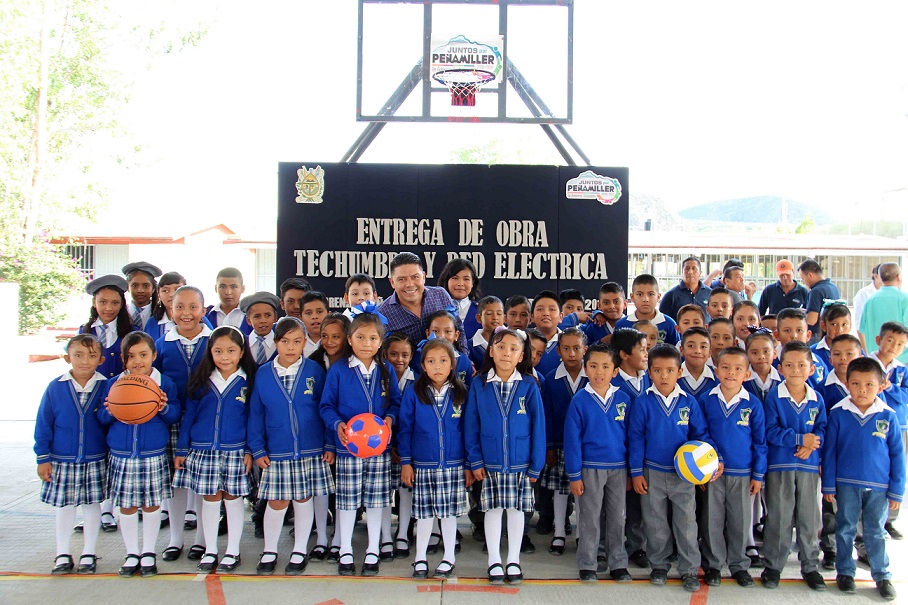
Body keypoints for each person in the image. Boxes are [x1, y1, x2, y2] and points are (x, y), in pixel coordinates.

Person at [248, 317, 334, 576]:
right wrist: (258, 448)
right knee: (277, 501)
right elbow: (256, 414)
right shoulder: (263, 373)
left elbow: (325, 409)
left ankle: (299, 550)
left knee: (303, 498)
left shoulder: (314, 371)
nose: (290, 347)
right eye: (285, 341)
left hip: (311, 449)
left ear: (304, 343)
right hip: (277, 451)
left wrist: (329, 443)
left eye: (297, 341)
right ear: (276, 342)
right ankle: (270, 550)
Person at [320, 308, 402, 577]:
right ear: (349, 339)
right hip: (348, 449)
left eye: (373, 339)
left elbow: (396, 403)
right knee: (346, 500)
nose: (366, 344)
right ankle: (345, 549)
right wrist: (337, 425)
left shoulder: (386, 369)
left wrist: (389, 419)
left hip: (379, 450)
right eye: (360, 337)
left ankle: (372, 550)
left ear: (381, 341)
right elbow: (326, 406)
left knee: (377, 500)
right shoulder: (338, 370)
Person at [464, 328, 545, 585]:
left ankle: (513, 559)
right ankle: (494, 560)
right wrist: (474, 460)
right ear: (491, 351)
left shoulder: (530, 385)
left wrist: (536, 465)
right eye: (500, 347)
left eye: (513, 348)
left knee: (517, 510)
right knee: (492, 509)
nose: (506, 353)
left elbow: (538, 427)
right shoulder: (480, 383)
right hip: (490, 462)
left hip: (521, 462)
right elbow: (471, 424)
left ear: (522, 356)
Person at [629, 344, 712, 593]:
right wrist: (635, 472)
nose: (664, 376)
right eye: (657, 370)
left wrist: (707, 465)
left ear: (680, 371)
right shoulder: (642, 403)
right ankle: (659, 565)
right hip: (652, 472)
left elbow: (701, 435)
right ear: (649, 373)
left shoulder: (690, 403)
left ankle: (689, 569)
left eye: (670, 370)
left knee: (686, 522)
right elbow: (635, 438)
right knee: (655, 522)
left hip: (683, 476)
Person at [175, 326, 257, 574]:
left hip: (235, 451)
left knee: (233, 499)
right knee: (210, 500)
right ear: (210, 352)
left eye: (231, 350)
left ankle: (233, 550)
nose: (224, 356)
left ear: (242, 352)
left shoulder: (248, 381)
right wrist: (182, 447)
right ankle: (210, 549)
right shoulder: (202, 381)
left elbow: (253, 419)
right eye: (218, 351)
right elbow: (189, 416)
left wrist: (250, 450)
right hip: (203, 450)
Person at [822, 357, 905, 601]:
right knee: (845, 527)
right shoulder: (838, 413)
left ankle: (881, 574)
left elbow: (898, 456)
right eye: (856, 384)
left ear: (881, 386)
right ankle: (845, 572)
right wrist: (828, 484)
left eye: (869, 385)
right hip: (846, 483)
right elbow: (830, 452)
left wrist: (896, 491)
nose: (862, 390)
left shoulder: (888, 416)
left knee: (875, 531)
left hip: (879, 487)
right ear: (847, 384)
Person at [100, 332, 181, 577]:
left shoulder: (164, 383)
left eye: (143, 355)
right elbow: (101, 418)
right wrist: (112, 411)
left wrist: (164, 407)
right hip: (123, 454)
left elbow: (174, 415)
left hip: (153, 453)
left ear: (153, 355)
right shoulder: (113, 384)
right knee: (127, 505)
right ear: (124, 359)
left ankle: (148, 552)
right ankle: (131, 552)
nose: (138, 361)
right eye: (131, 356)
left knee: (152, 504)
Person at [35, 334, 109, 575]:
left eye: (91, 355)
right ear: (68, 358)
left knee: (91, 504)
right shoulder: (56, 387)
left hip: (95, 457)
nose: (84, 361)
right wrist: (42, 456)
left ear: (101, 359)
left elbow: (110, 421)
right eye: (78, 355)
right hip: (62, 458)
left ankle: (89, 552)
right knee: (65, 506)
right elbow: (44, 423)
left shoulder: (107, 386)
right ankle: (62, 553)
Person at [398, 338, 471, 579]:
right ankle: (420, 558)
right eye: (431, 361)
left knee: (448, 515)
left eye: (443, 360)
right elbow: (405, 428)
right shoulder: (414, 392)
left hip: (453, 465)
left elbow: (469, 431)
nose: (437, 366)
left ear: (452, 364)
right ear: (423, 365)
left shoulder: (461, 392)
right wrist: (406, 462)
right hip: (424, 465)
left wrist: (469, 465)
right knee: (424, 514)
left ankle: (448, 556)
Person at [761, 341, 827, 591]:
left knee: (810, 519)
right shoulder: (774, 398)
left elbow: (821, 429)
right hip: (780, 467)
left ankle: (810, 566)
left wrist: (811, 445)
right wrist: (800, 439)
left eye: (802, 365)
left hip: (808, 468)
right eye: (789, 365)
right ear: (781, 367)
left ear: (811, 369)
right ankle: (773, 566)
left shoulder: (816, 399)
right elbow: (771, 431)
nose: (795, 370)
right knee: (779, 517)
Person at [563, 343, 632, 583]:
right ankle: (588, 562)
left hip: (618, 469)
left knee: (617, 517)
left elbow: (632, 437)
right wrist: (574, 475)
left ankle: (618, 562)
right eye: (593, 366)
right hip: (590, 468)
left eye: (605, 366)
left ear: (615, 371)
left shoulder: (623, 399)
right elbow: (572, 441)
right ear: (585, 368)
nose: (599, 372)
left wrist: (632, 472)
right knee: (589, 518)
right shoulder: (580, 400)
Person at [154, 285, 212, 562]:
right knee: (175, 483)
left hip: (206, 421)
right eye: (179, 307)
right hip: (172, 420)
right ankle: (176, 538)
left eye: (192, 307)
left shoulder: (215, 341)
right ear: (170, 309)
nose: (186, 313)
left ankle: (201, 539)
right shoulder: (160, 344)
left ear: (203, 309)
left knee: (202, 483)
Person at [700, 347, 766, 588]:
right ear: (716, 371)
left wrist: (758, 474)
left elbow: (760, 442)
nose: (731, 373)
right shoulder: (706, 400)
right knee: (712, 520)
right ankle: (713, 565)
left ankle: (739, 565)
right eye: (725, 367)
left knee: (740, 521)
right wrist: (712, 461)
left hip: (743, 473)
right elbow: (701, 433)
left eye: (738, 369)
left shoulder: (753, 404)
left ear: (747, 375)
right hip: (713, 473)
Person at [542, 328, 589, 555]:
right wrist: (550, 446)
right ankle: (559, 532)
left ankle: (581, 534)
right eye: (566, 348)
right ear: (558, 350)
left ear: (585, 350)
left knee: (582, 492)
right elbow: (547, 415)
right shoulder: (551, 379)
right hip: (559, 445)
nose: (572, 353)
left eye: (577, 348)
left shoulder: (593, 377)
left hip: (586, 448)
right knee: (560, 491)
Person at [610, 327, 650, 568]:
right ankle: (610, 547)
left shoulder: (650, 379)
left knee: (639, 505)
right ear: (624, 354)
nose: (647, 354)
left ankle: (636, 546)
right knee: (615, 506)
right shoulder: (611, 384)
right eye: (642, 350)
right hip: (619, 457)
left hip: (646, 456)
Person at [378, 252, 467, 352]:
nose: (410, 284)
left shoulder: (440, 295)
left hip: (446, 364)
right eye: (402, 279)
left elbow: (459, 329)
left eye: (415, 277)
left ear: (424, 277)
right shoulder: (382, 314)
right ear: (392, 282)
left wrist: (465, 359)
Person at [867, 321, 908, 539]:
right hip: (872, 425)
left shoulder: (902, 369)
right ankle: (868, 520)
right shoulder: (867, 363)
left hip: (899, 426)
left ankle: (890, 519)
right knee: (875, 469)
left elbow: (906, 395)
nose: (894, 346)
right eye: (890, 340)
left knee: (897, 469)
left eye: (901, 344)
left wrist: (890, 387)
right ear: (879, 340)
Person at [382, 332, 416, 559]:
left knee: (407, 491)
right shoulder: (378, 377)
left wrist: (404, 451)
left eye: (405, 354)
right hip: (383, 447)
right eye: (393, 354)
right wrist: (390, 444)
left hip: (408, 448)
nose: (399, 359)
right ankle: (385, 535)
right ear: (384, 354)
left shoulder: (418, 381)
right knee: (384, 491)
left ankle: (403, 533)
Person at [80, 275, 133, 380]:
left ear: (122, 304)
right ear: (94, 302)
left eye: (115, 303)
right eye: (103, 302)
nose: (109, 308)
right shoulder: (84, 332)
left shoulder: (132, 332)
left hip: (123, 391)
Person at [859, 263, 908, 363]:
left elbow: (861, 330)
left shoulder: (870, 300)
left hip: (877, 359)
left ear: (880, 277)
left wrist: (867, 355)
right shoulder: (904, 299)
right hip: (901, 359)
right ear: (899, 277)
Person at [616, 274, 679, 346]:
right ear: (632, 297)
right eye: (640, 294)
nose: (645, 299)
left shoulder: (669, 324)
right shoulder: (622, 324)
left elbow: (676, 353)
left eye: (651, 294)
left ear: (658, 297)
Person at [772, 308, 828, 388]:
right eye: (787, 331)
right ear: (777, 335)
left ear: (808, 335)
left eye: (799, 330)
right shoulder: (770, 362)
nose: (794, 336)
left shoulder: (818, 362)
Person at [438, 258, 482, 340]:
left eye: (466, 279)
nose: (460, 284)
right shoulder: (436, 309)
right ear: (446, 280)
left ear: (473, 283)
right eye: (455, 278)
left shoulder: (481, 312)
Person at [798, 259, 840, 344]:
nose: (803, 282)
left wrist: (801, 315)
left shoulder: (816, 291)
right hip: (831, 333)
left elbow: (811, 320)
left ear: (810, 275)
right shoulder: (833, 287)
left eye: (803, 278)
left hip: (816, 335)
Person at [660, 256, 711, 321]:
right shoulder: (671, 295)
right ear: (682, 272)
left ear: (700, 273)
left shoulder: (710, 293)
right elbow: (664, 320)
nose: (690, 272)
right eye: (687, 268)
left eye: (694, 268)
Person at [204, 267, 250, 335]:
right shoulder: (206, 316)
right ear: (216, 288)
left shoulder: (251, 316)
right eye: (222, 287)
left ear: (242, 289)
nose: (228, 292)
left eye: (233, 287)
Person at [144, 272, 188, 340]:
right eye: (166, 290)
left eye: (177, 289)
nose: (172, 294)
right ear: (158, 294)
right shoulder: (152, 323)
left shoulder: (198, 318)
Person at [240, 292, 281, 366]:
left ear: (275, 317)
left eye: (267, 315)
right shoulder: (241, 344)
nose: (263, 320)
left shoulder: (282, 343)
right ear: (248, 320)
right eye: (257, 316)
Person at [531, 290, 565, 375]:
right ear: (532, 316)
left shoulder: (567, 341)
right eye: (540, 309)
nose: (546, 313)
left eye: (552, 309)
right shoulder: (523, 340)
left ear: (561, 317)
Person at [811, 302, 852, 370]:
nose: (840, 330)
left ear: (850, 326)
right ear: (823, 325)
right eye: (834, 324)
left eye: (844, 324)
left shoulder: (857, 351)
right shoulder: (812, 353)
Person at [678, 327, 717, 399]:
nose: (697, 351)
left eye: (703, 346)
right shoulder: (672, 376)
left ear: (710, 352)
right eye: (691, 346)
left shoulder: (718, 377)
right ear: (681, 350)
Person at [123, 262, 162, 331]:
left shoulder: (161, 314)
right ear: (128, 288)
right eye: (135, 285)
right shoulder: (121, 313)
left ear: (153, 288)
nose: (140, 290)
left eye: (145, 286)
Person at [469, 295, 505, 369]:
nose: (495, 317)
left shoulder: (513, 339)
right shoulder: (471, 346)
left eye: (499, 314)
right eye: (489, 314)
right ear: (479, 318)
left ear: (504, 318)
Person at [744, 330, 780, 402]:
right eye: (754, 353)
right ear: (746, 355)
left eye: (766, 351)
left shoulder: (783, 379)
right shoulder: (740, 380)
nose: (761, 356)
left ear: (775, 353)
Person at [852, 264, 882, 333]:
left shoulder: (892, 294)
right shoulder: (864, 294)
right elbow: (859, 322)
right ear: (876, 276)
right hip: (870, 336)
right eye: (885, 275)